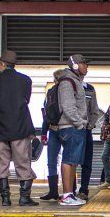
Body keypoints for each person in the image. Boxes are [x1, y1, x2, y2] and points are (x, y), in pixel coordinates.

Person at [0, 49, 38, 207]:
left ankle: (5, 198)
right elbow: (26, 100)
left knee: (0, 163)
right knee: (23, 162)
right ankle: (24, 197)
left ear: (2, 64)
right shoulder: (25, 80)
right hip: (20, 126)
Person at [52, 54, 92, 206]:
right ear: (75, 65)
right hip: (71, 127)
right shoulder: (67, 82)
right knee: (69, 159)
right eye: (84, 63)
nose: (86, 66)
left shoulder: (74, 81)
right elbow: (68, 107)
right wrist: (80, 123)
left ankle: (70, 194)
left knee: (72, 160)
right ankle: (67, 195)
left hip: (73, 126)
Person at [38, 72, 64, 201]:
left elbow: (46, 115)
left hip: (53, 130)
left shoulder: (50, 92)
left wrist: (44, 133)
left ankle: (53, 191)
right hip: (66, 129)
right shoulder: (58, 92)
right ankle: (69, 191)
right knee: (68, 161)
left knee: (52, 162)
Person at [76, 78, 102, 200]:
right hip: (73, 129)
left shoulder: (90, 89)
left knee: (86, 161)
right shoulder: (67, 86)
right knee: (71, 161)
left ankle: (84, 190)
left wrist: (90, 125)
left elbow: (94, 110)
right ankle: (70, 190)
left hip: (85, 130)